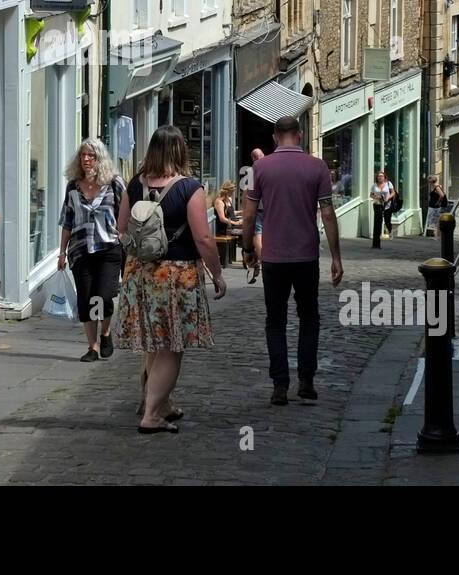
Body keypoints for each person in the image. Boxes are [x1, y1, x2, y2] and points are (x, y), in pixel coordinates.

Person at [115, 125, 226, 434]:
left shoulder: (134, 185)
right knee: (171, 346)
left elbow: (121, 228)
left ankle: (161, 403)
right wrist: (217, 273)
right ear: (180, 152)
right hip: (177, 275)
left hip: (140, 273)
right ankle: (151, 415)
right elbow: (203, 237)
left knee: (154, 342)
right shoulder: (189, 188)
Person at [241, 116, 342, 406]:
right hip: (306, 255)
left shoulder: (259, 168)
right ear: (300, 135)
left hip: (273, 256)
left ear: (275, 137)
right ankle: (307, 380)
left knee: (275, 321)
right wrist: (336, 257)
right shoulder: (317, 167)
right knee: (309, 317)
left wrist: (248, 248)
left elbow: (248, 216)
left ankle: (280, 384)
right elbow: (327, 214)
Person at [57, 139, 125, 361]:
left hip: (109, 249)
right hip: (81, 250)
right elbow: (67, 221)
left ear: (99, 159)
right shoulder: (73, 186)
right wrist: (61, 252)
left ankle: (105, 332)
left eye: (91, 156)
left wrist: (124, 235)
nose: (86, 159)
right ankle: (92, 346)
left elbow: (127, 213)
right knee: (86, 299)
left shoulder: (114, 183)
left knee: (103, 297)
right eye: (83, 155)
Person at [369, 170, 397, 246]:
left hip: (387, 205)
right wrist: (375, 196)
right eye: (378, 176)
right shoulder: (374, 185)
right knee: (378, 221)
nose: (380, 177)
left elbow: (393, 192)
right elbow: (371, 195)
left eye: (381, 176)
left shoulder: (388, 183)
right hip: (378, 204)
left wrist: (388, 198)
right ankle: (377, 240)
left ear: (384, 177)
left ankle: (390, 231)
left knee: (387, 220)